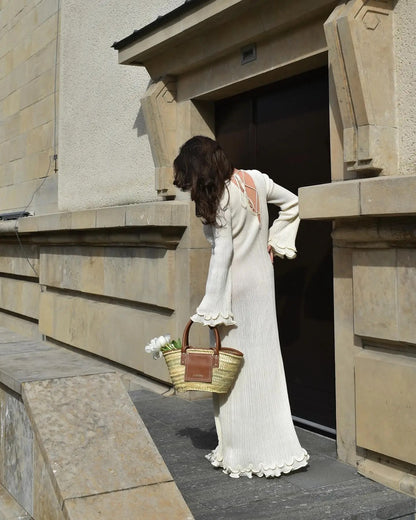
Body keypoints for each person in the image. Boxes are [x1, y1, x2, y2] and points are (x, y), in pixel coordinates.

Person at [173, 135, 309, 478]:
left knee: (232, 369)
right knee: (264, 363)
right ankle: (277, 448)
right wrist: (275, 241)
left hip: (234, 289)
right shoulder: (256, 179)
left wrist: (210, 305)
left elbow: (223, 254)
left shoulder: (218, 197)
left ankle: (243, 451)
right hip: (263, 284)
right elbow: (293, 202)